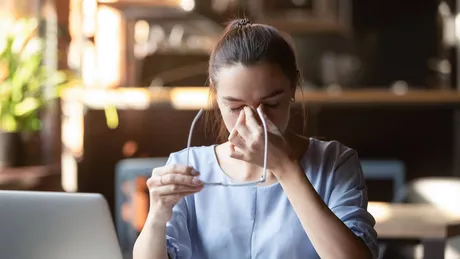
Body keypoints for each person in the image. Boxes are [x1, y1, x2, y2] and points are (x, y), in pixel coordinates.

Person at [133, 18, 378, 259]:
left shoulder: (334, 163)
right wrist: (156, 215)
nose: (254, 121)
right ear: (216, 97)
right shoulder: (190, 167)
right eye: (236, 107)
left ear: (293, 88)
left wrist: (286, 168)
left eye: (271, 104)